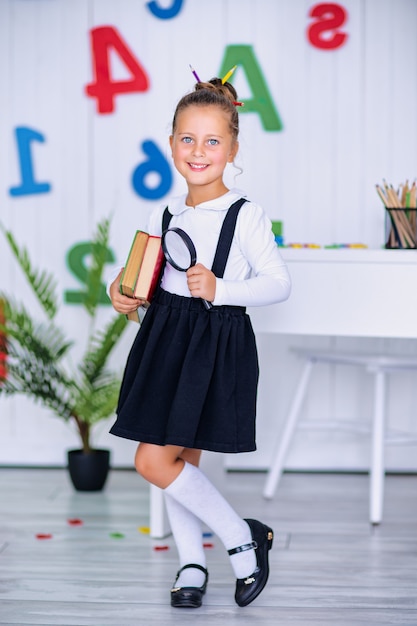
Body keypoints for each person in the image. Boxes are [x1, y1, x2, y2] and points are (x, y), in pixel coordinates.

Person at [108, 70, 291, 609]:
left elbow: (279, 284)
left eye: (212, 140)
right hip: (165, 341)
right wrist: (124, 295)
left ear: (233, 148)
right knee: (177, 459)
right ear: (171, 144)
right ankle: (191, 563)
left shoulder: (245, 213)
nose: (198, 150)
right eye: (187, 138)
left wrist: (220, 287)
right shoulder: (163, 213)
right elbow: (140, 278)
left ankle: (241, 539)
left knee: (154, 460)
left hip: (213, 347)